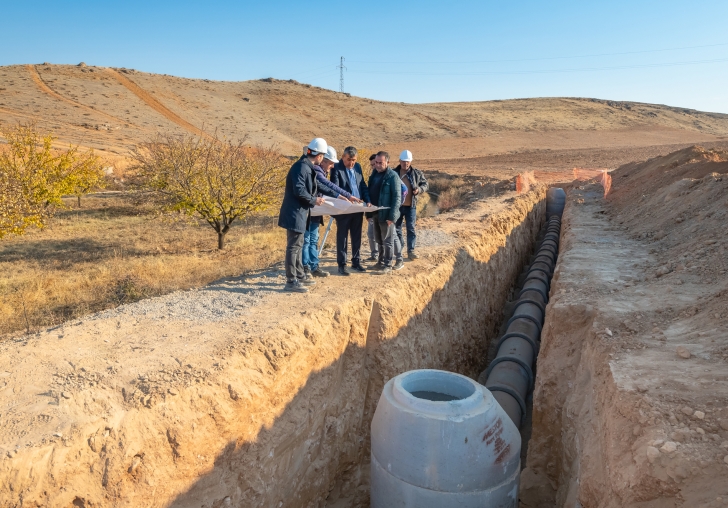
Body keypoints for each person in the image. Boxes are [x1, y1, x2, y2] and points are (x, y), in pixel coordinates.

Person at [302, 147, 361, 278]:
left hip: (316, 213)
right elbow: (326, 185)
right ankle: (305, 268)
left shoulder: (322, 170)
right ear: (323, 160)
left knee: (313, 240)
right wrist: (342, 195)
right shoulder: (316, 170)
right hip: (308, 212)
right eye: (330, 163)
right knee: (306, 240)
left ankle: (314, 266)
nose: (332, 166)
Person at [278, 138, 326, 292]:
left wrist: (340, 196)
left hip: (299, 213)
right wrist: (314, 200)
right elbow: (299, 190)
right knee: (293, 247)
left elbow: (319, 185)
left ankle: (299, 275)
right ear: (319, 156)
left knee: (298, 245)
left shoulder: (305, 166)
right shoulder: (301, 167)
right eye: (323, 156)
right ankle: (291, 281)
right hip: (295, 213)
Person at [330, 146, 371, 276]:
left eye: (353, 160)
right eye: (349, 160)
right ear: (343, 157)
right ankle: (342, 265)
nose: (351, 163)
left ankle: (356, 261)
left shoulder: (358, 167)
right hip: (344, 208)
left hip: (358, 207)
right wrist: (347, 198)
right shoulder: (337, 168)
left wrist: (367, 200)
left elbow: (362, 185)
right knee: (342, 237)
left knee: (356, 235)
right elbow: (335, 187)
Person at [368, 151, 402, 274]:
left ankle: (388, 264)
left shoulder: (393, 176)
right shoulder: (374, 174)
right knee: (378, 239)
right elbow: (369, 193)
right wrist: (368, 213)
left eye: (380, 163)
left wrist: (392, 216)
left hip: (387, 214)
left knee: (388, 241)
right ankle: (380, 262)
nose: (377, 165)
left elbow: (397, 197)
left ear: (388, 162)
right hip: (375, 212)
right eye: (376, 162)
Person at [394, 150, 428, 260]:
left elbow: (425, 184)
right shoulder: (394, 173)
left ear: (410, 162)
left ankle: (411, 251)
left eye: (407, 162)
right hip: (397, 206)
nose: (405, 164)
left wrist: (419, 189)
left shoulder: (416, 173)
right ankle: (400, 246)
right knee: (396, 228)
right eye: (403, 162)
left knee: (411, 228)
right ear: (399, 161)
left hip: (411, 206)